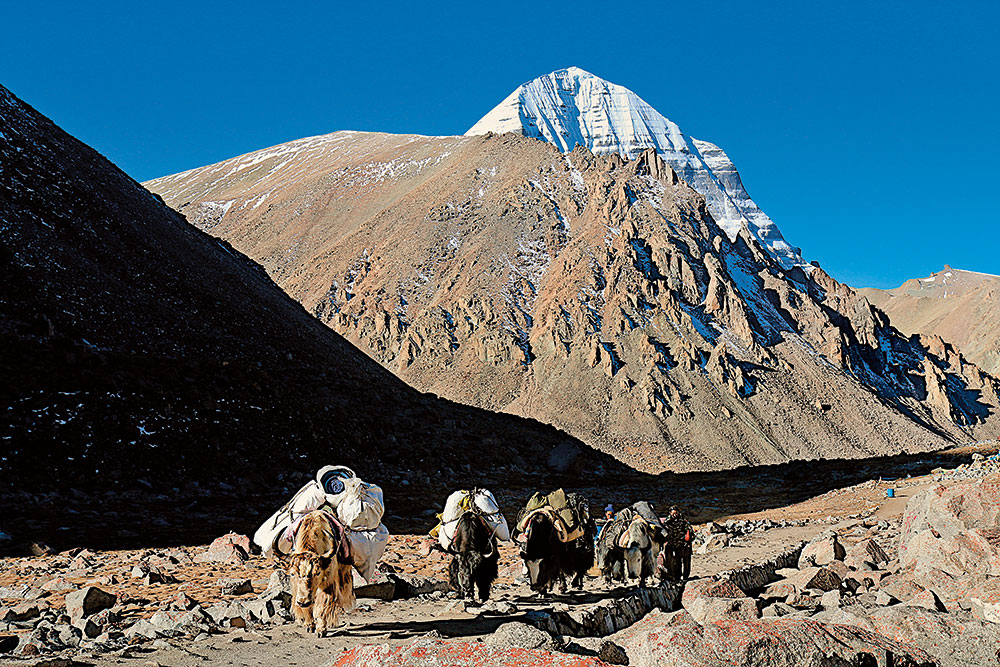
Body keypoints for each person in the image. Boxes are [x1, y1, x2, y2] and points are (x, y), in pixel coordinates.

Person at [661, 505, 693, 581]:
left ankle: (685, 577)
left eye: (676, 513)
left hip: (681, 544)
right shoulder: (667, 521)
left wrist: (687, 540)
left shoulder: (683, 520)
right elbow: (663, 530)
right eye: (673, 513)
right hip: (671, 543)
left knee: (686, 562)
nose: (675, 515)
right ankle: (676, 577)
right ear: (670, 513)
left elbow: (689, 530)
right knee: (675, 562)